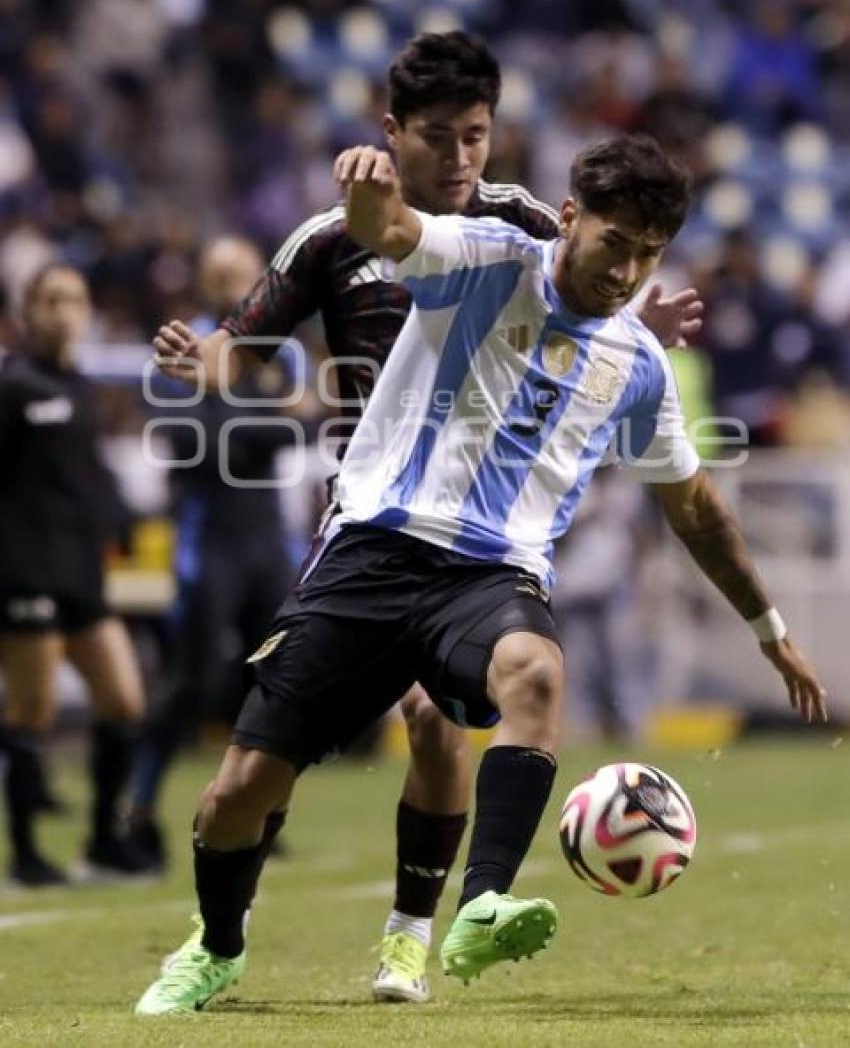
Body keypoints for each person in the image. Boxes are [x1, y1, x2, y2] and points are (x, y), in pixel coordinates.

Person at [135, 133, 827, 1015]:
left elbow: (695, 507)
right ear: (569, 217)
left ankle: (480, 902)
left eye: (647, 256)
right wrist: (369, 186)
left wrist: (770, 631)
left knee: (535, 667)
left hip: (491, 574)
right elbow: (391, 233)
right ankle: (220, 945)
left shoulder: (637, 365)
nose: (626, 273)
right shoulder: (489, 258)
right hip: (374, 551)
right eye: (615, 243)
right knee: (237, 796)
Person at [126, 236, 301, 870]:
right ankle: (138, 810)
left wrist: (261, 425)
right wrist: (271, 425)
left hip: (266, 541)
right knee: (192, 682)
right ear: (203, 278)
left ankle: (257, 811)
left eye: (242, 271)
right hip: (209, 543)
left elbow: (305, 424)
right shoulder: (186, 345)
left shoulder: (274, 350)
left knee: (282, 682)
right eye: (220, 270)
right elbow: (195, 434)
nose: (232, 281)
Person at [0, 264, 147, 885]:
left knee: (123, 702)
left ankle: (102, 840)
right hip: (25, 571)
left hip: (83, 574)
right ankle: (28, 854)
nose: (66, 312)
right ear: (29, 310)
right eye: (53, 300)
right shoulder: (14, 387)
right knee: (31, 711)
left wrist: (118, 517)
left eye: (76, 300)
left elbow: (87, 477)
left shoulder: (84, 389)